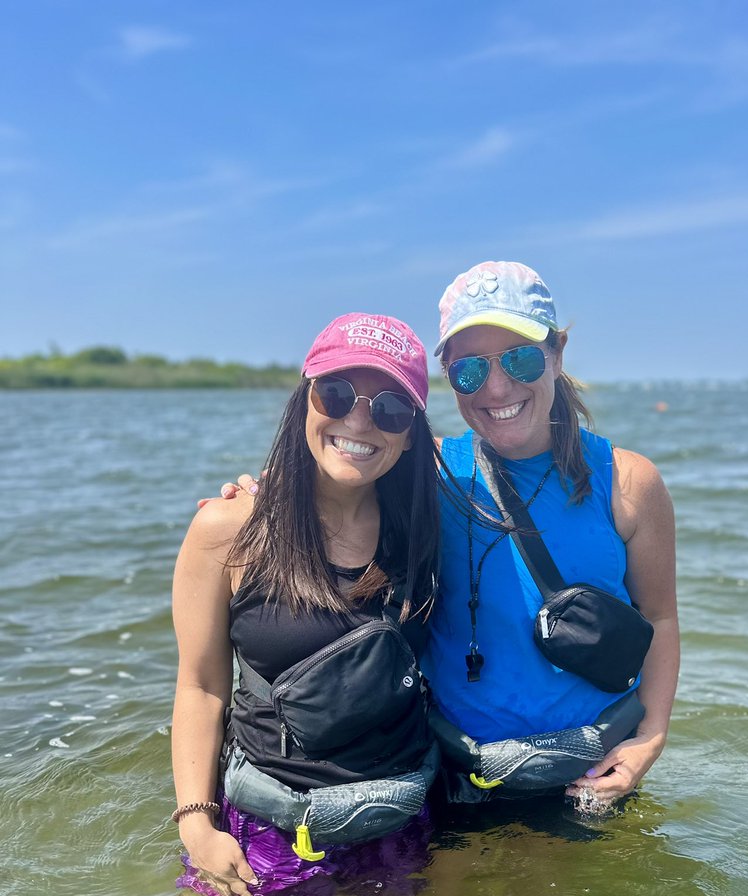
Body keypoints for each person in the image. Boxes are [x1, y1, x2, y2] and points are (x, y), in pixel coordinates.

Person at [220, 262, 678, 821]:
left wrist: (651, 736)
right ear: (445, 375)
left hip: (594, 773)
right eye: (469, 372)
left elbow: (659, 617)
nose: (498, 387)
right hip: (458, 776)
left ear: (556, 355)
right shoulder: (427, 474)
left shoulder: (629, 482)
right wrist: (256, 494)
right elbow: (338, 468)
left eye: (521, 358)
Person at [172, 313, 441, 896]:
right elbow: (200, 687)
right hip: (274, 823)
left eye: (392, 409)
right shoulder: (229, 529)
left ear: (410, 435)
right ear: (305, 402)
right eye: (338, 393)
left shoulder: (427, 524)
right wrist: (197, 826)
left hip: (400, 810)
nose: (359, 421)